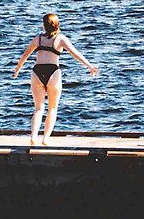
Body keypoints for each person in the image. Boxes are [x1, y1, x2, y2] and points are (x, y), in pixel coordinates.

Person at [12, 13, 97, 144]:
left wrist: (17, 69)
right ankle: (46, 138)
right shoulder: (60, 38)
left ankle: (33, 137)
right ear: (57, 24)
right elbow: (75, 53)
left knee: (38, 109)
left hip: (37, 72)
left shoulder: (38, 39)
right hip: (53, 72)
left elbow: (25, 55)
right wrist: (90, 67)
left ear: (44, 25)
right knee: (52, 108)